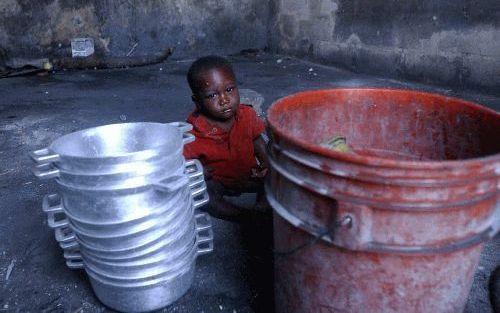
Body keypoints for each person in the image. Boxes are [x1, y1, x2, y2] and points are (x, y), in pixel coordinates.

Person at [183, 55, 270, 222]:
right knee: (201, 195)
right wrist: (198, 170)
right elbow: (184, 163)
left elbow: (257, 140)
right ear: (197, 101)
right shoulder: (193, 131)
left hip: (249, 175)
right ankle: (243, 216)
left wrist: (266, 163)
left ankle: (262, 208)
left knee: (277, 176)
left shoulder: (247, 114)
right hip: (218, 181)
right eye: (212, 96)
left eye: (229, 90)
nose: (224, 100)